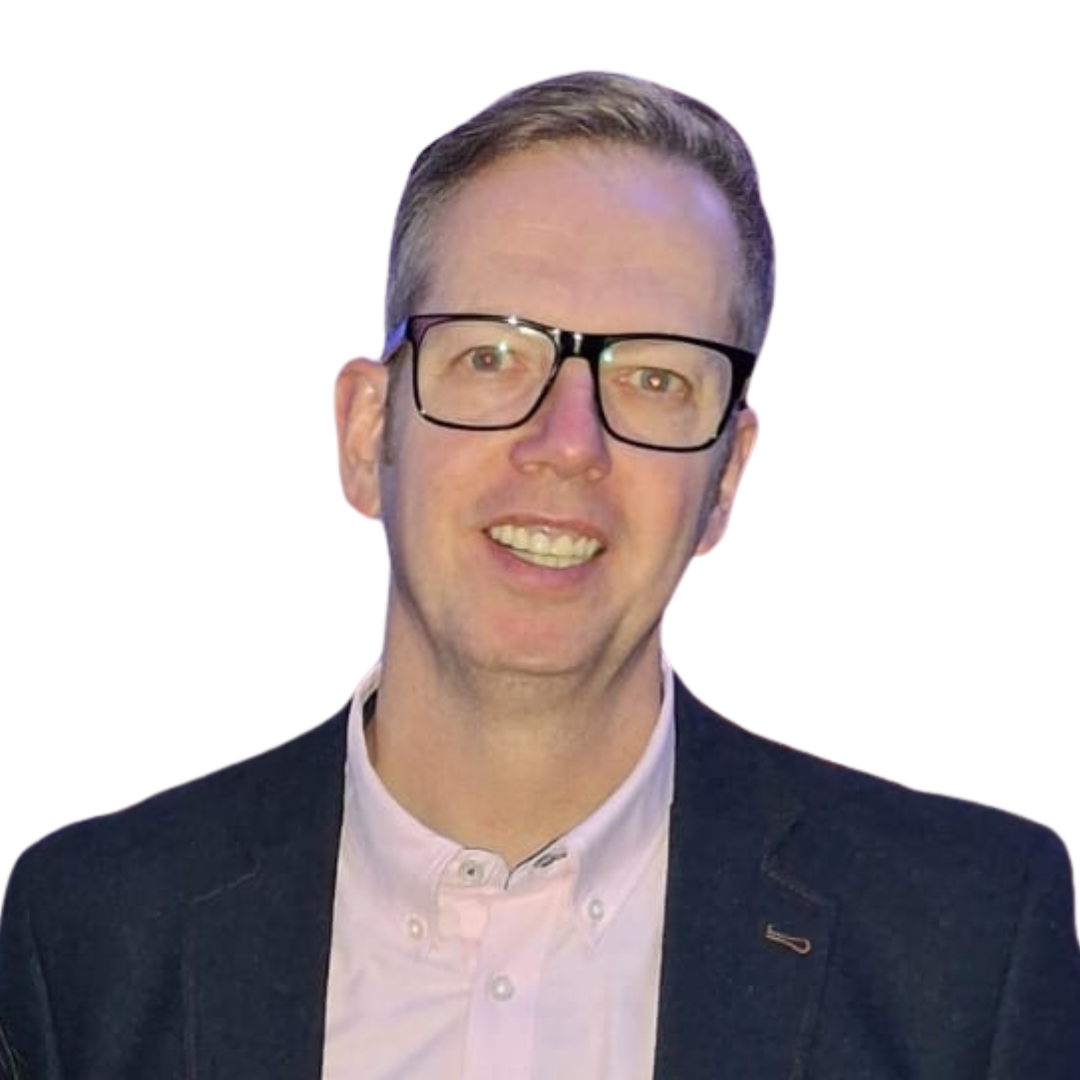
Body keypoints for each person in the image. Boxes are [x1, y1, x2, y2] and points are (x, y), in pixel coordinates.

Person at [1, 70, 1077, 1080]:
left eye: (654, 378)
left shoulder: (967, 952)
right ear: (367, 432)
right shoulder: (91, 939)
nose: (568, 445)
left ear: (726, 477)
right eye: (491, 357)